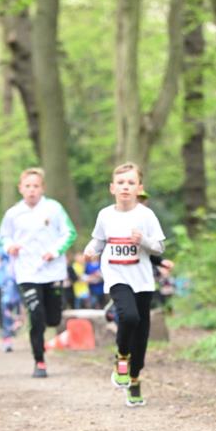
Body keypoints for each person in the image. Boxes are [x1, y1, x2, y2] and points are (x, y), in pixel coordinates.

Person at [84, 161, 165, 407]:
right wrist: (90, 250)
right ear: (112, 188)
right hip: (116, 276)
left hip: (142, 280)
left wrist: (144, 241)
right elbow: (98, 241)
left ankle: (135, 378)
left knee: (141, 334)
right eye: (121, 182)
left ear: (139, 188)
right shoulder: (105, 215)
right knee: (129, 317)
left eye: (131, 182)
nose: (125, 187)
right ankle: (121, 356)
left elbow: (159, 247)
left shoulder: (146, 215)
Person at [0, 167, 77, 377]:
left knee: (52, 319)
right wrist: (10, 247)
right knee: (36, 315)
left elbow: (70, 233)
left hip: (52, 271)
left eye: (36, 186)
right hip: (26, 272)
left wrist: (55, 251)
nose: (32, 190)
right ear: (20, 188)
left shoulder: (54, 208)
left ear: (42, 188)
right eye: (28, 186)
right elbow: (4, 236)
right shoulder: (13, 213)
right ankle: (39, 361)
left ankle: (49, 323)